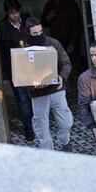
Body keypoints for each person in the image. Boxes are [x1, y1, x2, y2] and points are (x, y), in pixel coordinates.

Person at [25, 17, 74, 152]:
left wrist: (62, 77)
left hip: (57, 90)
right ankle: (48, 153)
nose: (39, 35)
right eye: (35, 33)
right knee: (41, 127)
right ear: (29, 33)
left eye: (40, 31)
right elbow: (21, 75)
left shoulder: (53, 43)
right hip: (38, 94)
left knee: (66, 122)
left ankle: (65, 142)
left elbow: (66, 63)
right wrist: (32, 85)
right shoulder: (24, 51)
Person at [0, 0, 34, 141]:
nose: (15, 16)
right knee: (23, 100)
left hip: (33, 65)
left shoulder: (27, 19)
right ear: (7, 13)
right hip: (15, 70)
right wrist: (5, 74)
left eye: (16, 12)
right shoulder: (1, 27)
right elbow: (1, 52)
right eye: (11, 13)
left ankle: (39, 124)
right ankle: (29, 128)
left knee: (37, 96)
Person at [41, 0, 85, 74]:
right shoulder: (49, 5)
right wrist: (48, 17)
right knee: (60, 68)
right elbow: (43, 24)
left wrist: (73, 43)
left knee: (74, 67)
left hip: (69, 42)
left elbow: (77, 25)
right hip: (56, 43)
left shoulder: (70, 4)